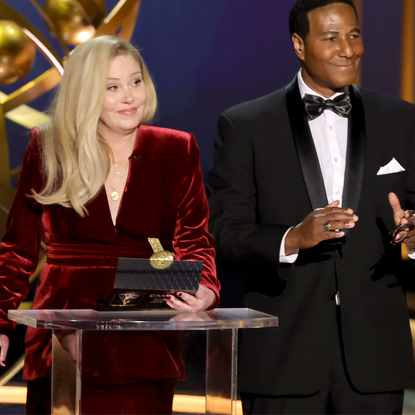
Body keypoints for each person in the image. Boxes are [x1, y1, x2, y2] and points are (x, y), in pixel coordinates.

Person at [206, 0, 415, 413]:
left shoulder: (402, 119)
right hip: (282, 355)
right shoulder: (245, 125)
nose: (348, 49)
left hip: (375, 356)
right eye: (331, 37)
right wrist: (292, 238)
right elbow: (224, 233)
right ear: (299, 45)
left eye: (354, 35)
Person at [0, 35, 220, 414]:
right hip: (62, 332)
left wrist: (206, 289)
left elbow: (195, 239)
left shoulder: (176, 149)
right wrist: (1, 321)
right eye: (112, 87)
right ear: (85, 93)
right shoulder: (48, 146)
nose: (130, 96)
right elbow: (18, 248)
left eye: (136, 82)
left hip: (146, 335)